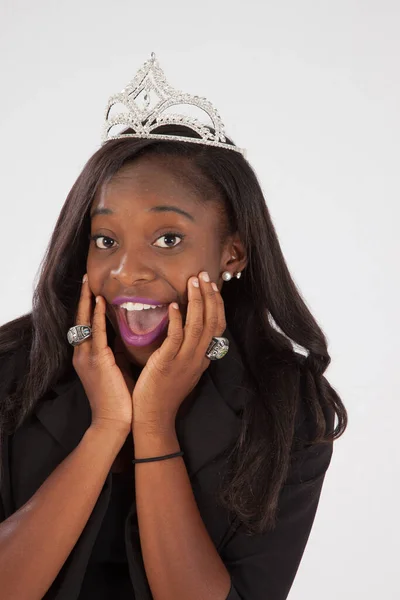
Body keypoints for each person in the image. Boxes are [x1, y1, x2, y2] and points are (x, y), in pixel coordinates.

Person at [0, 53, 348, 600]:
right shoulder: (10, 369)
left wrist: (155, 424)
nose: (125, 271)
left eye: (168, 239)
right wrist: (108, 427)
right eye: (105, 240)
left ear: (232, 253)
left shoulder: (288, 406)